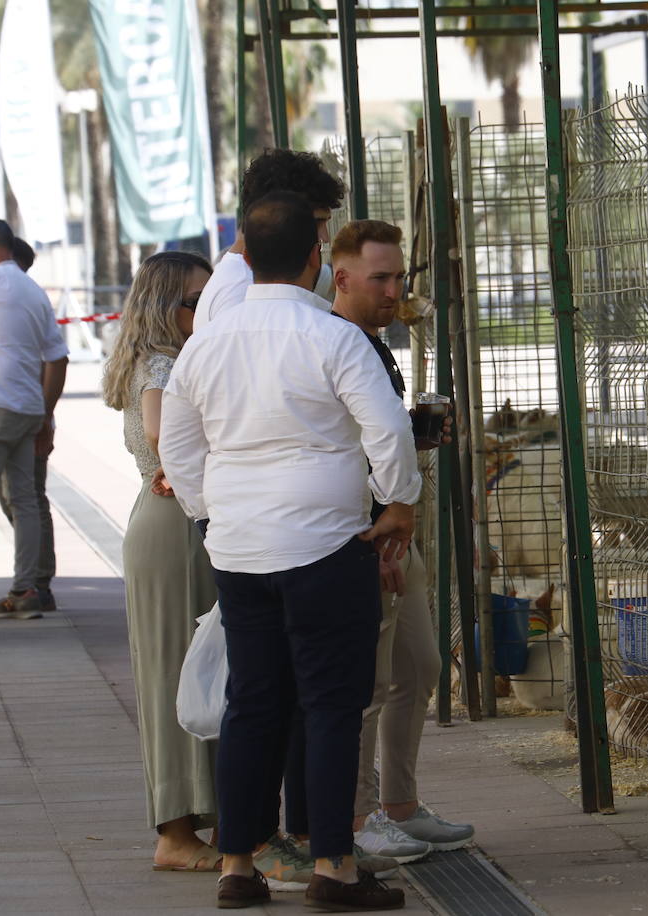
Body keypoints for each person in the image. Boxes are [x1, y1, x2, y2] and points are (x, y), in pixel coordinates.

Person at [159, 191, 419, 912]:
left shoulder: (208, 340)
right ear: (315, 258)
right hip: (326, 543)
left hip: (239, 549)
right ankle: (333, 866)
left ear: (245, 254)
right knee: (331, 704)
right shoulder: (331, 337)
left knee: (253, 703)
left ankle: (237, 864)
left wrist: (209, 514)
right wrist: (399, 502)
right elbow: (387, 430)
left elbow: (177, 445)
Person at [329, 220, 474, 858]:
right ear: (341, 278)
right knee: (369, 682)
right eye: (381, 279)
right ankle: (358, 818)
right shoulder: (334, 342)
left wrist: (413, 433)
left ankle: (399, 804)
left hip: (395, 520)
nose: (395, 293)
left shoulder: (374, 343)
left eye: (400, 278)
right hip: (367, 527)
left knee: (419, 663)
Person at [102, 251, 221, 872]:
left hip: (175, 526)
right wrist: (186, 465)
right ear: (163, 305)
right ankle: (176, 835)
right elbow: (157, 431)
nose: (206, 310)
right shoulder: (159, 363)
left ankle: (203, 820)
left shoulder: (173, 358)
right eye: (195, 300)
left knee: (197, 673)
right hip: (173, 530)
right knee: (178, 676)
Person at [0, 219, 68, 621]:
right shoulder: (33, 290)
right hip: (27, 409)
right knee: (24, 501)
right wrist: (46, 413)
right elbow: (57, 357)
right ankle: (26, 590)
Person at [194, 148, 344, 332]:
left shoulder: (252, 278)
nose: (325, 238)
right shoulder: (242, 289)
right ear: (277, 211)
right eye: (317, 222)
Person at [0, 237, 57, 612]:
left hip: (28, 414)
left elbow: (54, 360)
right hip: (18, 411)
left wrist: (46, 417)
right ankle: (33, 577)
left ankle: (38, 581)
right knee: (16, 496)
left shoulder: (28, 301)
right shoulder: (18, 300)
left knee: (28, 498)